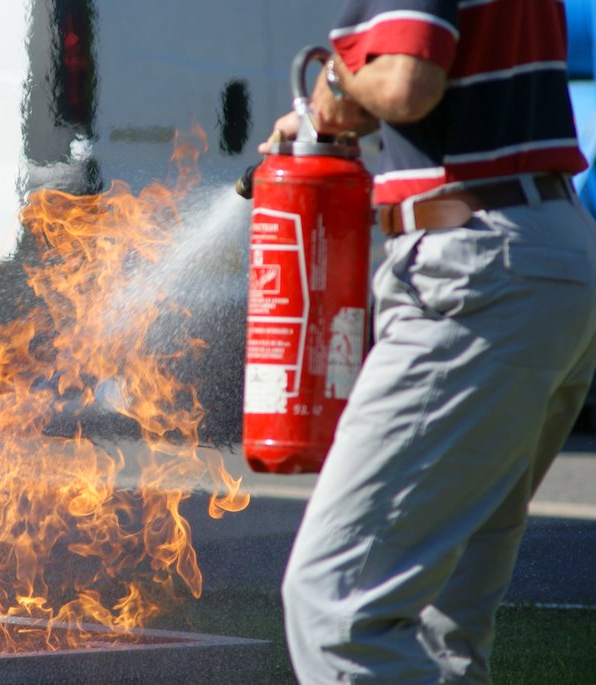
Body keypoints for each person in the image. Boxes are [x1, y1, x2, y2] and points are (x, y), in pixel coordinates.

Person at [259, 2, 596, 683]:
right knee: (443, 624)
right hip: (543, 252)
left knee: (336, 604)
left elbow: (406, 82)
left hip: (476, 268)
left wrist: (334, 85)